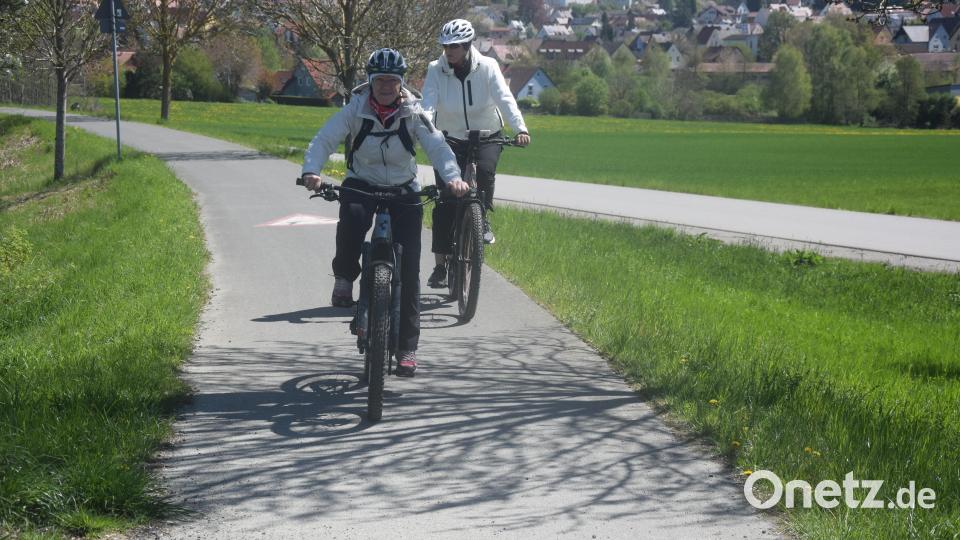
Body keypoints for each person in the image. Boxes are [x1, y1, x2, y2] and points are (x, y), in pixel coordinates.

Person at [300, 48, 469, 377]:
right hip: (362, 182)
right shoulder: (355, 109)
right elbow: (324, 138)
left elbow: (437, 145)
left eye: (393, 81)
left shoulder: (414, 111)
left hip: (402, 188)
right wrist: (312, 171)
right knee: (351, 218)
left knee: (408, 272)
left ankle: (407, 347)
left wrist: (453, 178)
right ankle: (345, 278)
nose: (387, 86)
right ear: (371, 81)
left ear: (401, 82)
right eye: (381, 81)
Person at [421, 18, 531, 289]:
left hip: (487, 133)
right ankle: (440, 267)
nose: (450, 51)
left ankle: (482, 218)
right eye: (446, 46)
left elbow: (505, 98)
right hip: (449, 138)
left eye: (455, 46)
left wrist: (520, 127)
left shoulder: (488, 66)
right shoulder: (436, 69)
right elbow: (428, 103)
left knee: (486, 172)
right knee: (446, 200)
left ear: (468, 45)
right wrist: (424, 129)